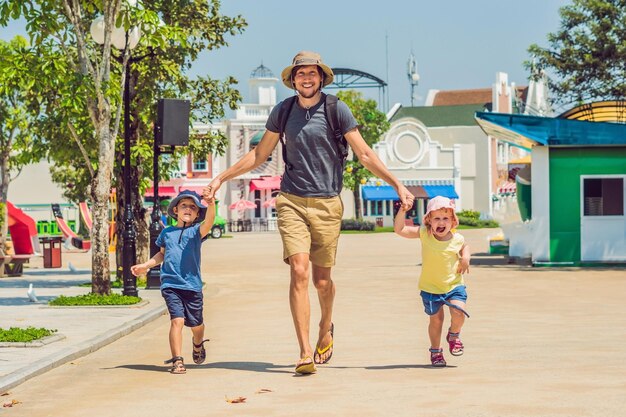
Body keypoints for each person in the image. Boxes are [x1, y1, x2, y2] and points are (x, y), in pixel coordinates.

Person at [205, 51, 415, 374]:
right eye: (300, 73)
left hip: (328, 204)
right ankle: (304, 351)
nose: (306, 78)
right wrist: (220, 177)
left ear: (320, 77)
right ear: (293, 80)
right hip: (291, 199)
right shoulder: (283, 111)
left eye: (311, 73)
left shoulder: (335, 110)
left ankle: (325, 326)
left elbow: (365, 154)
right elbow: (260, 153)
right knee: (299, 271)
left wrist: (397, 184)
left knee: (321, 281)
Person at [130, 189, 215, 374]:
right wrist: (146, 265)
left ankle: (198, 343)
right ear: (175, 210)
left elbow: (209, 222)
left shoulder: (196, 231)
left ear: (197, 213)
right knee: (177, 320)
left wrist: (211, 203)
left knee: (196, 325)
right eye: (184, 205)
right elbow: (161, 254)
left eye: (193, 207)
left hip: (192, 286)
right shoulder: (167, 233)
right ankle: (177, 360)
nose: (188, 209)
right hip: (170, 285)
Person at [393, 196, 471, 367]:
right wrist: (403, 210)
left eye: (445, 218)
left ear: (452, 221)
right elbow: (399, 229)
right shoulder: (424, 234)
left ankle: (454, 335)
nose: (441, 222)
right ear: (429, 220)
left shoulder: (457, 238)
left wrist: (465, 257)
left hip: (454, 285)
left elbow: (465, 246)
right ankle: (436, 352)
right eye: (436, 218)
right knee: (436, 320)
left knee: (459, 311)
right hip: (430, 288)